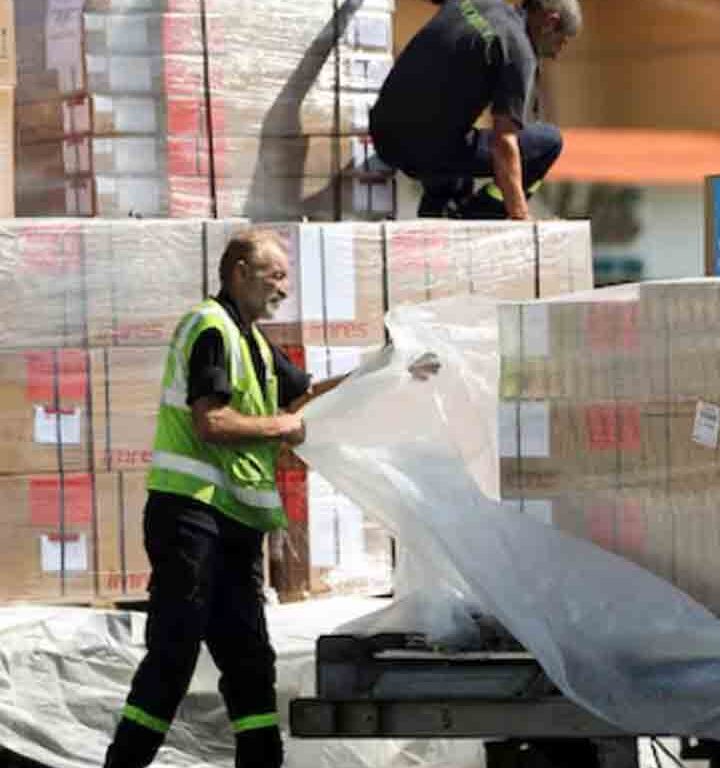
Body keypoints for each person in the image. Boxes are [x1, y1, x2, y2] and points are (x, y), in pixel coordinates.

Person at [101, 230, 438, 768]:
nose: (284, 286)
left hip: (232, 521)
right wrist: (279, 426)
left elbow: (304, 395)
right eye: (274, 274)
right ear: (238, 271)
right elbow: (211, 422)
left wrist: (385, 368)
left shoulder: (254, 341)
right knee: (175, 649)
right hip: (191, 514)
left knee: (250, 657)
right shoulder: (211, 329)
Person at [372, 0, 582, 220]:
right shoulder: (518, 52)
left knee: (458, 161)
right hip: (424, 152)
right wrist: (522, 218)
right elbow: (504, 143)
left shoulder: (473, 4)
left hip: (384, 136)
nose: (557, 54)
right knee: (548, 143)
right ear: (550, 22)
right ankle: (479, 214)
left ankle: (439, 212)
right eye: (561, 42)